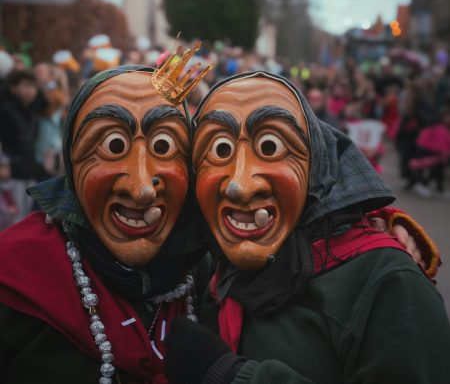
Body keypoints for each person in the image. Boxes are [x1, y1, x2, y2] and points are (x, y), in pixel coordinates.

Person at [164, 71, 449, 384]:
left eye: (270, 147)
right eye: (219, 150)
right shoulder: (204, 262)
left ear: (316, 163)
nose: (240, 186)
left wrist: (234, 377)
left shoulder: (388, 284)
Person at [0, 55, 212, 383]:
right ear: (72, 163)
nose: (141, 189)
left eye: (164, 146)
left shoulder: (206, 273)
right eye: (113, 146)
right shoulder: (14, 274)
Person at [0, 70, 50, 219]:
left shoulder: (30, 109)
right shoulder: (6, 110)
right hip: (10, 172)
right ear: (14, 87)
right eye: (26, 86)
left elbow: (45, 102)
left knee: (23, 216)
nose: (31, 90)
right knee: (11, 217)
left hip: (28, 168)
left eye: (33, 87)